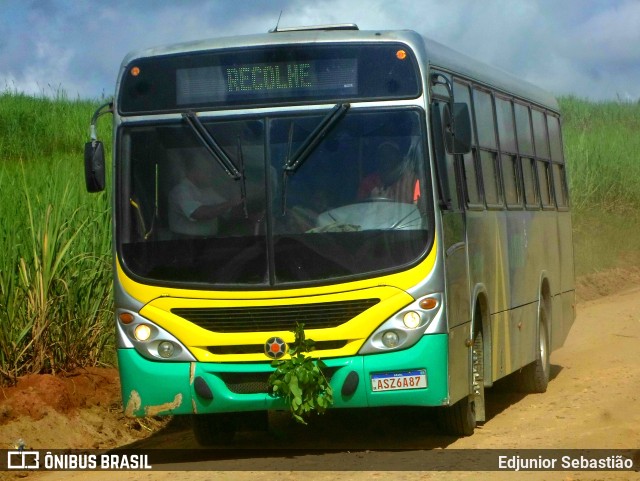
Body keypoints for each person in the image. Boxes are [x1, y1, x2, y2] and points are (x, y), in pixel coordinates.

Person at [168, 157, 239, 237]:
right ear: (193, 172)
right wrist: (231, 203)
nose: (210, 176)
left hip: (209, 243)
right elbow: (200, 214)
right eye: (207, 172)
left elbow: (229, 210)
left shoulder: (208, 191)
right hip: (186, 243)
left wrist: (250, 216)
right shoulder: (181, 191)